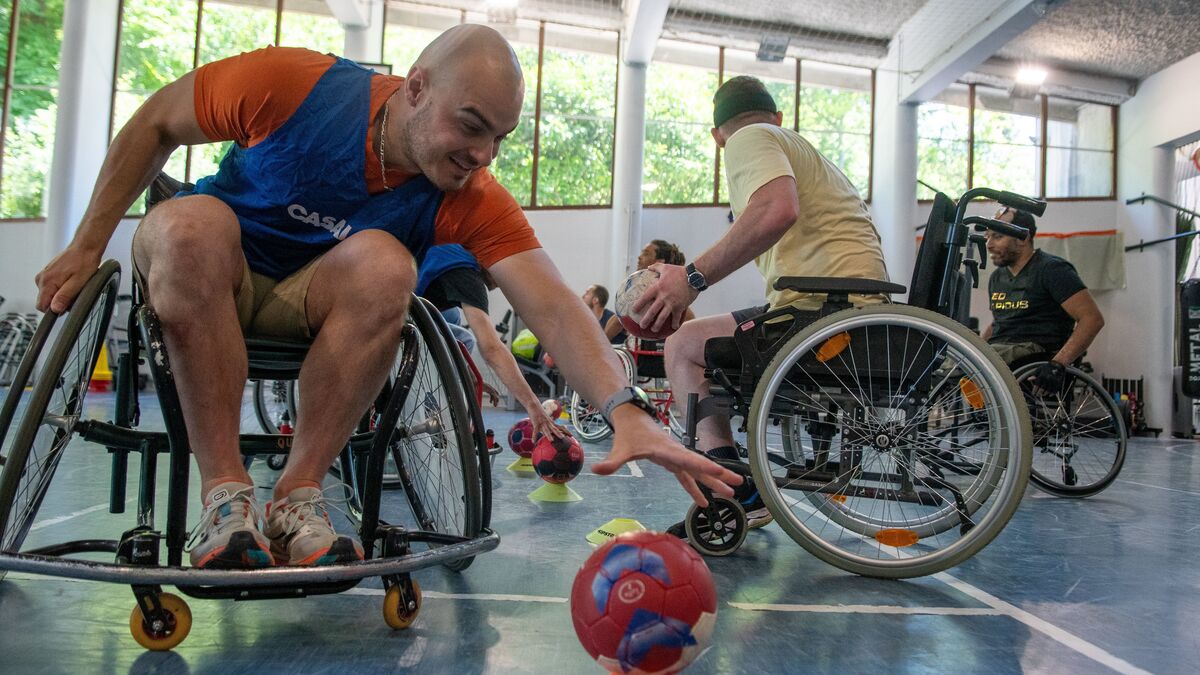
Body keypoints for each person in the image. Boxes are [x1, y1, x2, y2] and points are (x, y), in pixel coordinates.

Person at [34, 25, 739, 570]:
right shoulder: (290, 85)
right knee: (188, 224)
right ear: (416, 87)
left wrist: (626, 409)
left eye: (500, 137)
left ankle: (298, 496)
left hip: (318, 309)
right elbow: (154, 120)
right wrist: (85, 245)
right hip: (214, 273)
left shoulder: (468, 193)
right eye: (471, 125)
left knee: (387, 264)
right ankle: (225, 497)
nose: (484, 153)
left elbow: (550, 301)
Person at [631, 75, 889, 532]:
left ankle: (729, 488)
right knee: (695, 338)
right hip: (846, 304)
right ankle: (734, 479)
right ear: (779, 115)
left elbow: (776, 210)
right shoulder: (797, 148)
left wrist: (691, 279)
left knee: (683, 348)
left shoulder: (748, 139)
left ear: (716, 136)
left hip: (828, 312)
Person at [417, 243, 561, 439]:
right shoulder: (465, 272)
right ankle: (431, 410)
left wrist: (472, 378)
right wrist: (533, 406)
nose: (503, 283)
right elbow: (491, 348)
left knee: (451, 318)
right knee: (463, 336)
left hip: (395, 300)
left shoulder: (452, 255)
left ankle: (428, 401)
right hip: (391, 314)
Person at [982, 207, 1105, 393]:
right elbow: (999, 321)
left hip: (1033, 352)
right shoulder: (997, 278)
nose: (989, 244)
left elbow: (1092, 319)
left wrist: (1058, 364)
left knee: (984, 360)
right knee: (949, 362)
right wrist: (973, 346)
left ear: (1023, 238)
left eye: (998, 237)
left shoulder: (1052, 270)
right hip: (1000, 350)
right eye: (987, 236)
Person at [603, 239, 694, 342]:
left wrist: (600, 346)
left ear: (659, 262)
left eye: (646, 253)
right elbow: (617, 321)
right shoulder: (637, 289)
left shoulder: (673, 301)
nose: (639, 257)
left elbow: (616, 323)